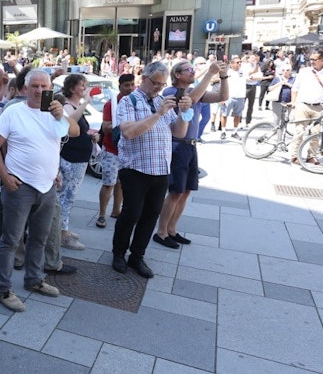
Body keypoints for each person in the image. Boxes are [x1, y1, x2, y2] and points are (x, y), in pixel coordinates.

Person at [0, 69, 79, 312]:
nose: (39, 91)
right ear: (25, 89)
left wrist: (63, 116)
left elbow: (75, 132)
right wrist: (4, 176)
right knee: (10, 240)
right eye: (34, 86)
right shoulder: (14, 112)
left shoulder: (54, 111)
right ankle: (4, 289)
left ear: (50, 88)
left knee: (39, 238)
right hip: (19, 187)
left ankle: (35, 280)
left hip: (47, 186)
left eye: (44, 87)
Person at [111, 62, 191, 279]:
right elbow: (128, 133)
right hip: (135, 168)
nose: (158, 87)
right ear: (143, 78)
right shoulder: (129, 101)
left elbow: (179, 133)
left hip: (160, 169)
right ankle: (119, 253)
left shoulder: (160, 101)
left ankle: (137, 255)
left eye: (162, 84)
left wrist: (184, 112)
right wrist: (157, 114)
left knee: (150, 216)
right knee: (131, 214)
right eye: (155, 83)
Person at [154, 59, 229, 248]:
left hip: (190, 145)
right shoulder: (172, 92)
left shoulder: (196, 91)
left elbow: (223, 96)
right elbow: (192, 99)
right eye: (188, 70)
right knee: (176, 191)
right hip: (177, 145)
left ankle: (172, 229)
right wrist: (210, 73)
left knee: (185, 191)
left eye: (193, 69)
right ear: (177, 74)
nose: (192, 72)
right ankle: (161, 232)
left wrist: (224, 76)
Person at [57, 74, 96, 249]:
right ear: (72, 88)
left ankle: (62, 229)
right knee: (67, 196)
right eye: (82, 85)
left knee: (68, 196)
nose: (85, 88)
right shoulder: (66, 105)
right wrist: (86, 102)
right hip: (71, 159)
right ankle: (62, 233)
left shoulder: (74, 105)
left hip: (78, 158)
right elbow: (70, 121)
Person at [95, 74, 136, 228]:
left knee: (121, 183)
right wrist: (124, 125)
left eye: (132, 84)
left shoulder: (135, 102)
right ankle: (101, 215)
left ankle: (116, 211)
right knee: (109, 183)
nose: (130, 88)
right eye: (127, 85)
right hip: (112, 149)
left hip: (127, 150)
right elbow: (105, 127)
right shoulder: (111, 104)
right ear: (119, 86)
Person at [289, 49, 323, 164]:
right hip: (302, 104)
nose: (311, 62)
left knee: (316, 133)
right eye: (310, 59)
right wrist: (293, 102)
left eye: (314, 59)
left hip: (318, 107)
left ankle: (311, 156)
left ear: (322, 60)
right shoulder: (304, 71)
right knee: (299, 131)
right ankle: (294, 156)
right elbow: (295, 88)